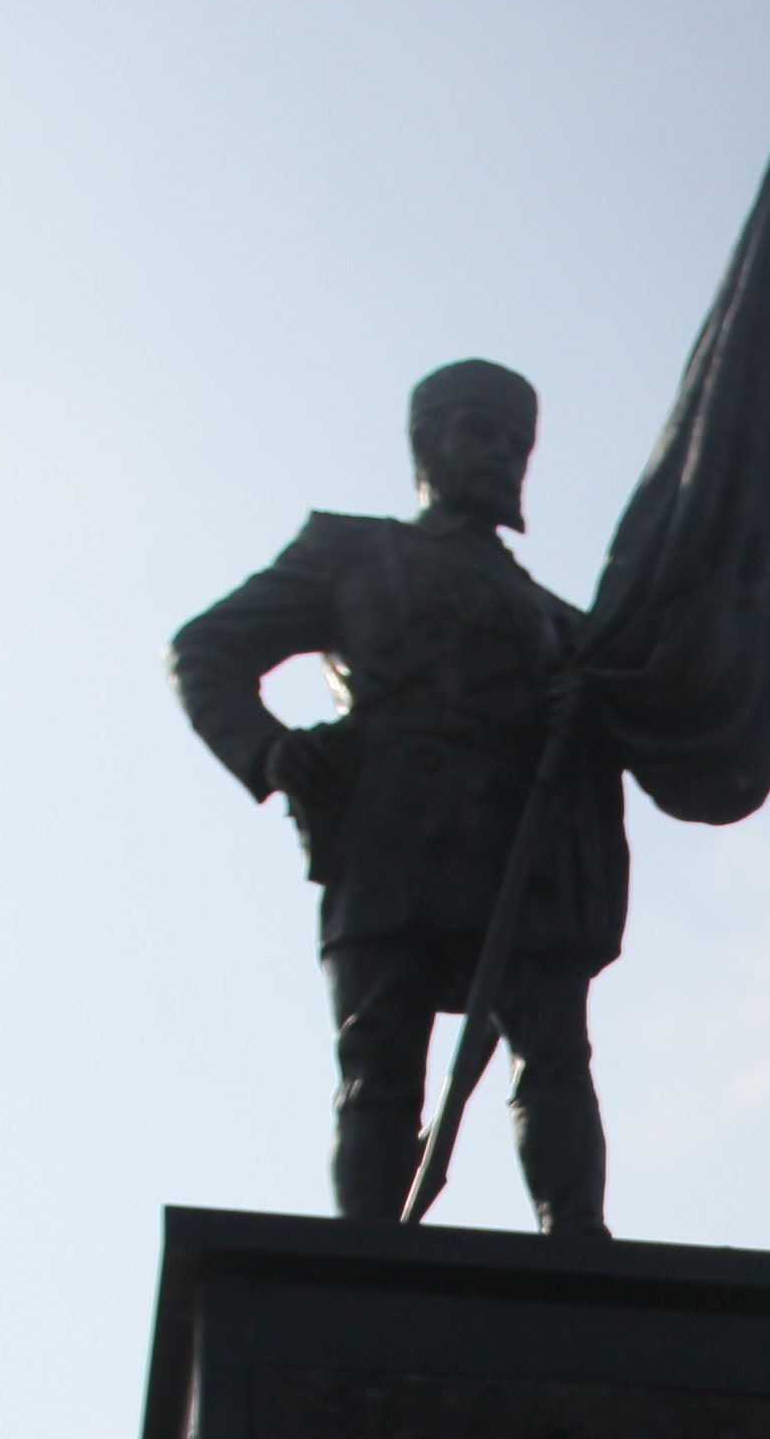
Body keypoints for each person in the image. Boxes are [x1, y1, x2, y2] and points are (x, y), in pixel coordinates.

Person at [171, 362, 622, 1232]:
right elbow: (207, 648)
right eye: (477, 433)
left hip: (520, 853)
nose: (498, 455)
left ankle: (578, 1246)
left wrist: (589, 712)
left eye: (513, 443)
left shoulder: (560, 623)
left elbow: (628, 729)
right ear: (428, 447)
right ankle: (368, 1251)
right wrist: (269, 751)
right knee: (380, 1065)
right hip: (388, 838)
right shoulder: (351, 552)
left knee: (556, 1057)